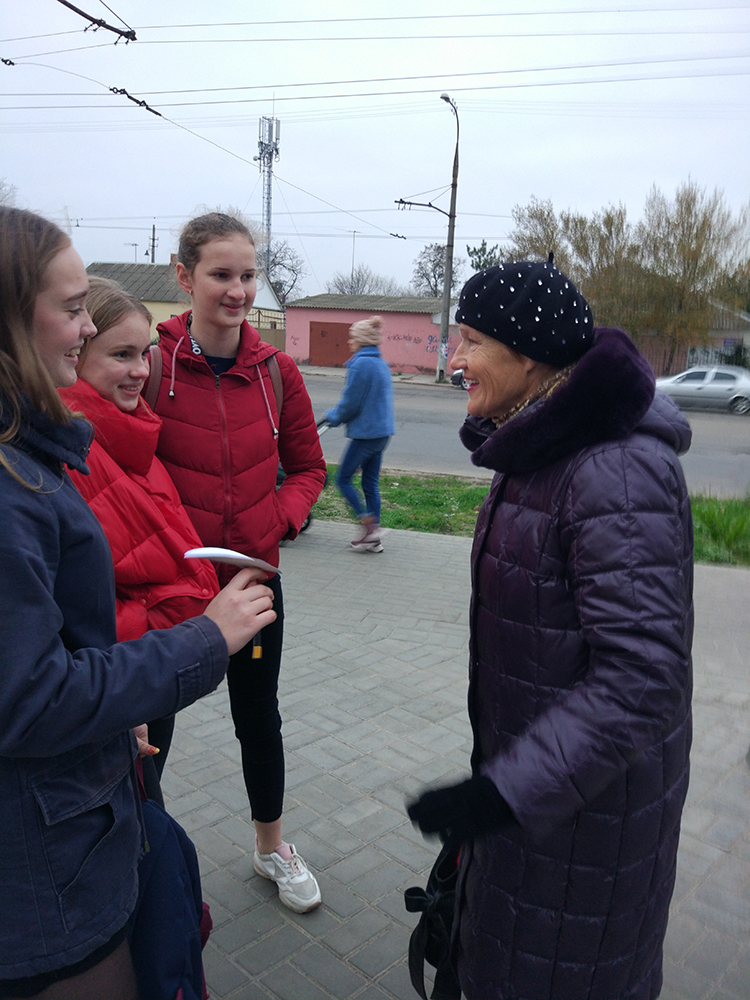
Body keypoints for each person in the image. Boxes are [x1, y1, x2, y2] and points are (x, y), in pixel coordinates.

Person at [0, 207, 276, 996]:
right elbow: (30, 697)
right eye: (73, 309)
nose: (87, 328)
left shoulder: (46, 452)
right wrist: (200, 638)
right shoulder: (20, 482)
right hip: (45, 862)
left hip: (81, 791)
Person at [407, 258, 694, 1000]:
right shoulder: (537, 441)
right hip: (543, 799)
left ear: (530, 355)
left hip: (589, 823)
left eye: (471, 341)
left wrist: (502, 795)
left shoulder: (614, 470)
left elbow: (643, 678)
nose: (455, 360)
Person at [150, 212, 327, 913]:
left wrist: (276, 520)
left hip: (253, 585)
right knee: (151, 727)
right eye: (221, 274)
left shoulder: (277, 373)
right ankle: (140, 853)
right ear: (184, 276)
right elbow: (123, 468)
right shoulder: (153, 365)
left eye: (248, 275)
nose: (237, 290)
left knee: (258, 719)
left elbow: (308, 469)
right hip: (170, 588)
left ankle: (271, 848)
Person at [59, 277, 220, 807]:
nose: (141, 371)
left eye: (144, 353)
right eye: (120, 355)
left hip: (148, 671)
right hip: (120, 684)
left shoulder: (129, 433)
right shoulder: (71, 453)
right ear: (76, 354)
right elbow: (80, 605)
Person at [323, 315, 395, 553]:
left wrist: (333, 416)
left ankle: (369, 527)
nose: (349, 342)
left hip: (366, 435)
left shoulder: (360, 364)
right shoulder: (380, 363)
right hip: (382, 434)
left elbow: (350, 404)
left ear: (362, 340)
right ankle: (374, 539)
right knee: (370, 484)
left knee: (342, 479)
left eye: (352, 338)